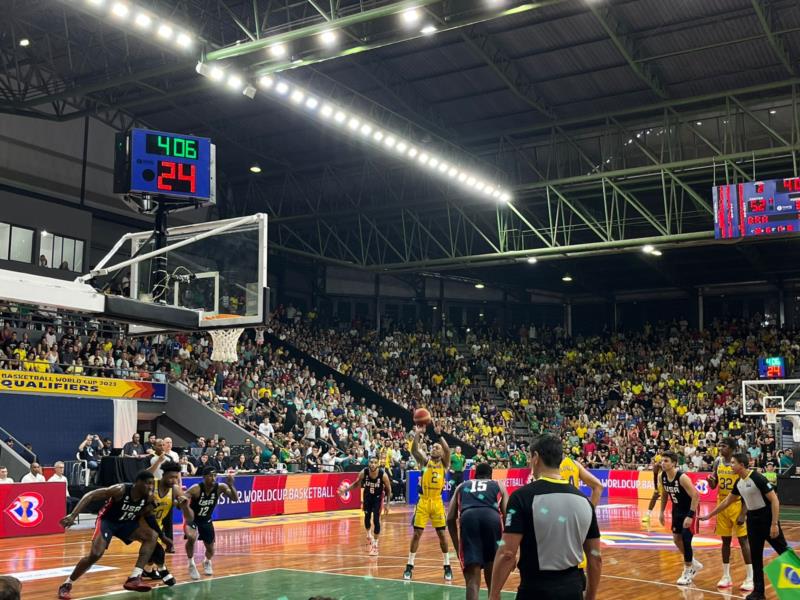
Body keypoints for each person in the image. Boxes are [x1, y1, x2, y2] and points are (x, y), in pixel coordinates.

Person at [489, 434, 601, 600]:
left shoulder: (521, 497)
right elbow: (595, 556)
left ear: (535, 458)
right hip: (574, 587)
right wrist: (590, 596)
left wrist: (494, 595)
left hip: (536, 589)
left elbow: (507, 553)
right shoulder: (584, 502)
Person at [57, 471, 165, 599]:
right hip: (107, 522)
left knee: (152, 535)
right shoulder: (120, 490)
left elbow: (146, 515)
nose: (151, 487)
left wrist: (163, 537)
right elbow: (90, 495)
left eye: (153, 484)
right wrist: (73, 515)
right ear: (138, 483)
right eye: (148, 483)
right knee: (95, 555)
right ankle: (66, 584)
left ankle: (134, 577)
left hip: (126, 523)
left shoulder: (149, 497)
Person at [701, 452, 790, 600]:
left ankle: (796, 585)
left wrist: (774, 524)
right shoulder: (739, 483)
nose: (731, 465)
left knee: (784, 553)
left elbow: (775, 500)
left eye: (734, 463)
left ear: (742, 465)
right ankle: (759, 592)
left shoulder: (757, 478)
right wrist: (710, 515)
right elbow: (727, 501)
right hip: (753, 521)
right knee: (756, 557)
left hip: (767, 519)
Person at [446, 463, 508, 600]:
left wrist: (457, 547)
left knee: (472, 581)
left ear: (474, 476)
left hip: (469, 519)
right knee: (492, 580)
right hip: (492, 519)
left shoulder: (462, 486)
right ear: (490, 475)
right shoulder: (498, 485)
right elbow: (508, 515)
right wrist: (507, 546)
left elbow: (450, 518)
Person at [403, 423, 453, 582]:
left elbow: (447, 450)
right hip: (423, 502)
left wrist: (439, 435)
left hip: (437, 502)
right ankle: (409, 566)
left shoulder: (445, 464)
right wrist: (418, 433)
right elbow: (413, 450)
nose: (434, 448)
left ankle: (447, 565)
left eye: (437, 447)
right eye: (433, 447)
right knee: (417, 534)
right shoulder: (425, 461)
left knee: (442, 534)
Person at [707, 438, 753, 590]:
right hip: (722, 504)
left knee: (743, 541)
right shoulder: (717, 462)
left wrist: (743, 513)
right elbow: (714, 486)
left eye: (724, 446)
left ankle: (750, 577)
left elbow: (748, 488)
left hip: (738, 503)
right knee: (725, 541)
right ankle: (726, 576)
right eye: (719, 445)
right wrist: (710, 481)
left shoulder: (739, 463)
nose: (720, 448)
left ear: (732, 448)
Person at [143, 463, 193, 587]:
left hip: (156, 525)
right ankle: (163, 571)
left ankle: (147, 570)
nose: (174, 480)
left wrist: (184, 505)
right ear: (163, 475)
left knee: (152, 549)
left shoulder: (175, 490)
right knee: (158, 550)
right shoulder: (151, 484)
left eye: (176, 477)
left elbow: (190, 517)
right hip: (140, 523)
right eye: (171, 477)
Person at [184, 467, 238, 580]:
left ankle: (207, 561)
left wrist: (231, 485)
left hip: (206, 520)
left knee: (211, 550)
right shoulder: (196, 488)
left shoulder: (220, 487)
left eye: (215, 475)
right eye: (210, 475)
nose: (213, 478)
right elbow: (184, 497)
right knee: (191, 537)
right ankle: (191, 564)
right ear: (204, 477)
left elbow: (234, 498)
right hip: (193, 519)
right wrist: (180, 499)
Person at [659, 451, 702, 585]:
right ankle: (693, 562)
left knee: (686, 538)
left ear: (674, 463)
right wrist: (661, 512)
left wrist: (690, 515)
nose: (663, 463)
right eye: (662, 460)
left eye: (666, 461)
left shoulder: (682, 478)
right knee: (676, 539)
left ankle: (688, 570)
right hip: (676, 509)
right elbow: (665, 495)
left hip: (690, 509)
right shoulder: (662, 476)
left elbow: (696, 495)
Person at [338, 456, 392, 556]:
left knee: (376, 520)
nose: (373, 464)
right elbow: (356, 484)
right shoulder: (364, 472)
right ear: (368, 463)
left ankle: (375, 545)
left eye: (375, 462)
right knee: (367, 518)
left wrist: (387, 504)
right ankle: (368, 534)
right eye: (371, 462)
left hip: (377, 498)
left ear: (378, 464)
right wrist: (345, 491)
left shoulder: (383, 475)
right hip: (367, 497)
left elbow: (389, 490)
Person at [641, 450, 662, 524]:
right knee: (654, 497)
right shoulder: (656, 467)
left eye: (660, 462)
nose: (657, 463)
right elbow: (655, 478)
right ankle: (648, 514)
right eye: (657, 462)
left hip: (670, 483)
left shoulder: (667, 465)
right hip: (662, 484)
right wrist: (656, 488)